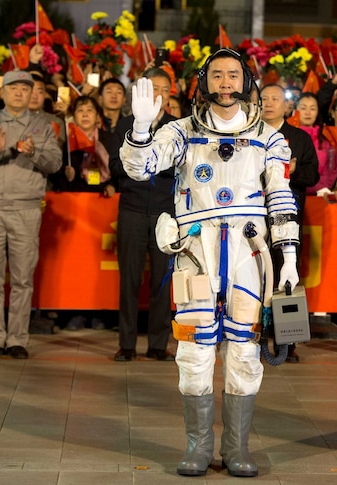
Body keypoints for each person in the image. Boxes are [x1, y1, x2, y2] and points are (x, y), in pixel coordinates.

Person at [120, 48, 298, 478]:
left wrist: (289, 256)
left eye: (233, 75)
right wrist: (142, 127)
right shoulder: (181, 132)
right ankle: (198, 446)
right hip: (196, 253)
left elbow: (280, 196)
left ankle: (236, 446)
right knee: (194, 350)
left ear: (246, 81)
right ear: (203, 81)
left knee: (245, 351)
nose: (225, 83)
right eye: (216, 75)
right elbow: (140, 168)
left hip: (248, 253)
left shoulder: (268, 137)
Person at [0, 70, 62, 360]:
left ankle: (17, 338)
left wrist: (33, 154)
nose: (19, 93)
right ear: (3, 92)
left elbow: (54, 163)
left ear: (32, 93)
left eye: (25, 89)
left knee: (22, 278)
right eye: (13, 88)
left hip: (26, 208)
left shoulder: (42, 126)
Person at [109, 68, 178, 361]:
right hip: (133, 209)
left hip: (166, 212)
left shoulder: (177, 127)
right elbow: (114, 165)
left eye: (164, 89)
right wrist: (138, 167)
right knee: (129, 278)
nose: (159, 94)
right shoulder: (127, 124)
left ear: (170, 93)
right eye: (154, 88)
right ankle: (126, 343)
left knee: (163, 280)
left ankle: (158, 344)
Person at [260, 83, 320, 362]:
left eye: (275, 99)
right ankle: (256, 337)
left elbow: (312, 176)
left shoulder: (299, 138)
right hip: (255, 222)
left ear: (287, 105)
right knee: (257, 280)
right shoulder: (250, 134)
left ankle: (288, 343)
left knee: (287, 279)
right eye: (263, 99)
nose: (269, 103)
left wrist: (290, 173)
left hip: (288, 221)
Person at [298, 93, 337, 195]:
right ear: (296, 110)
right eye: (303, 108)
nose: (308, 113)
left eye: (312, 109)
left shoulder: (326, 137)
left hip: (320, 194)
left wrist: (322, 187)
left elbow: (332, 168)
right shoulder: (286, 136)